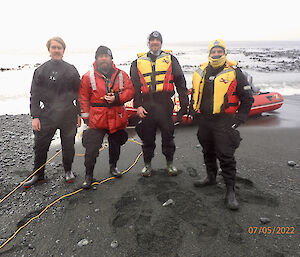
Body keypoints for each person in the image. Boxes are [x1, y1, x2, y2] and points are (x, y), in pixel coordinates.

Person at [191, 39, 254, 210]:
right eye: (214, 51)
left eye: (220, 51)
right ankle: (210, 177)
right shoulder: (202, 71)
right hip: (204, 120)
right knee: (207, 151)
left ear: (224, 53)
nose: (216, 54)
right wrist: (192, 110)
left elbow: (247, 98)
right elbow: (195, 93)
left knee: (226, 156)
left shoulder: (235, 72)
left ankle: (230, 191)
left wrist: (240, 118)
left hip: (224, 121)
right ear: (209, 53)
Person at [24, 37, 81, 188]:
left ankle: (68, 171)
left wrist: (79, 113)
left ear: (63, 50)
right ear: (49, 50)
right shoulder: (41, 70)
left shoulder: (71, 69)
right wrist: (35, 116)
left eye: (59, 48)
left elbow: (79, 93)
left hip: (68, 113)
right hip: (47, 113)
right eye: (54, 48)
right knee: (40, 145)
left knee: (68, 144)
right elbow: (34, 95)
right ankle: (38, 174)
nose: (56, 50)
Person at [130, 31, 189, 177]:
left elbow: (181, 83)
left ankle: (169, 164)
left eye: (157, 40)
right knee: (147, 139)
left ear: (161, 43)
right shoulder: (137, 62)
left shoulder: (171, 59)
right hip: (147, 105)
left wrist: (184, 106)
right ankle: (147, 165)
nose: (155, 43)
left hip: (165, 105)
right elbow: (134, 88)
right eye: (152, 40)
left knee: (168, 137)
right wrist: (138, 106)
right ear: (148, 43)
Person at [79, 46, 134, 189]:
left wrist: (116, 98)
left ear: (111, 58)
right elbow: (83, 98)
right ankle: (88, 176)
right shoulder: (87, 76)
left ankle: (113, 167)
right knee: (91, 148)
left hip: (116, 116)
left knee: (115, 145)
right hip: (97, 118)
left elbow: (130, 91)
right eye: (100, 56)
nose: (103, 58)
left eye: (106, 56)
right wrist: (86, 117)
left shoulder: (122, 75)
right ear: (96, 59)